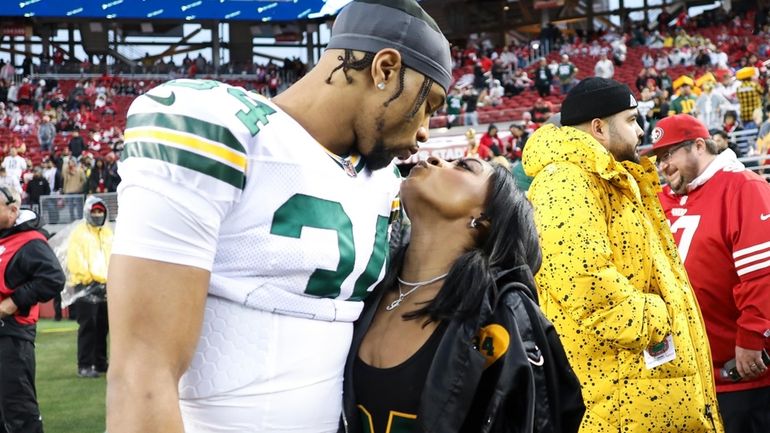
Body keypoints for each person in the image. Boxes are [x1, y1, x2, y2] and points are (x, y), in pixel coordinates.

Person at [106, 0, 452, 432]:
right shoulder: (217, 128)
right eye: (429, 104)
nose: (424, 130)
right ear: (384, 69)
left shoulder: (383, 184)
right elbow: (142, 372)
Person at [522, 77, 724, 432]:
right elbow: (583, 282)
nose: (641, 130)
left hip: (641, 389)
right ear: (599, 127)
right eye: (631, 120)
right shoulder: (566, 180)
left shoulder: (609, 178)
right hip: (617, 399)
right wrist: (659, 318)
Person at [341, 156, 584, 433]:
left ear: (484, 219)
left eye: (464, 167)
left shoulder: (505, 315)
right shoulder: (364, 284)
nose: (435, 159)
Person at [651, 114, 770, 433]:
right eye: (659, 158)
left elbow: (761, 275)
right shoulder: (661, 200)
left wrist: (752, 337)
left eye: (668, 154)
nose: (663, 166)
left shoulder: (744, 187)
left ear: (699, 145)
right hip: (686, 377)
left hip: (738, 375)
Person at [0, 186, 66, 433]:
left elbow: (53, 278)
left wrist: (13, 302)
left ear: (13, 210)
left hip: (13, 335)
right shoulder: (4, 238)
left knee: (18, 410)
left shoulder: (30, 241)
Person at [66, 196, 112, 378]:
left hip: (106, 285)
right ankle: (84, 364)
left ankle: (100, 362)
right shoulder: (79, 234)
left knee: (103, 325)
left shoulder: (108, 233)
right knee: (88, 325)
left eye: (100, 211)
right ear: (88, 212)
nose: (98, 214)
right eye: (94, 211)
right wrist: (89, 279)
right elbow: (75, 260)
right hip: (85, 285)